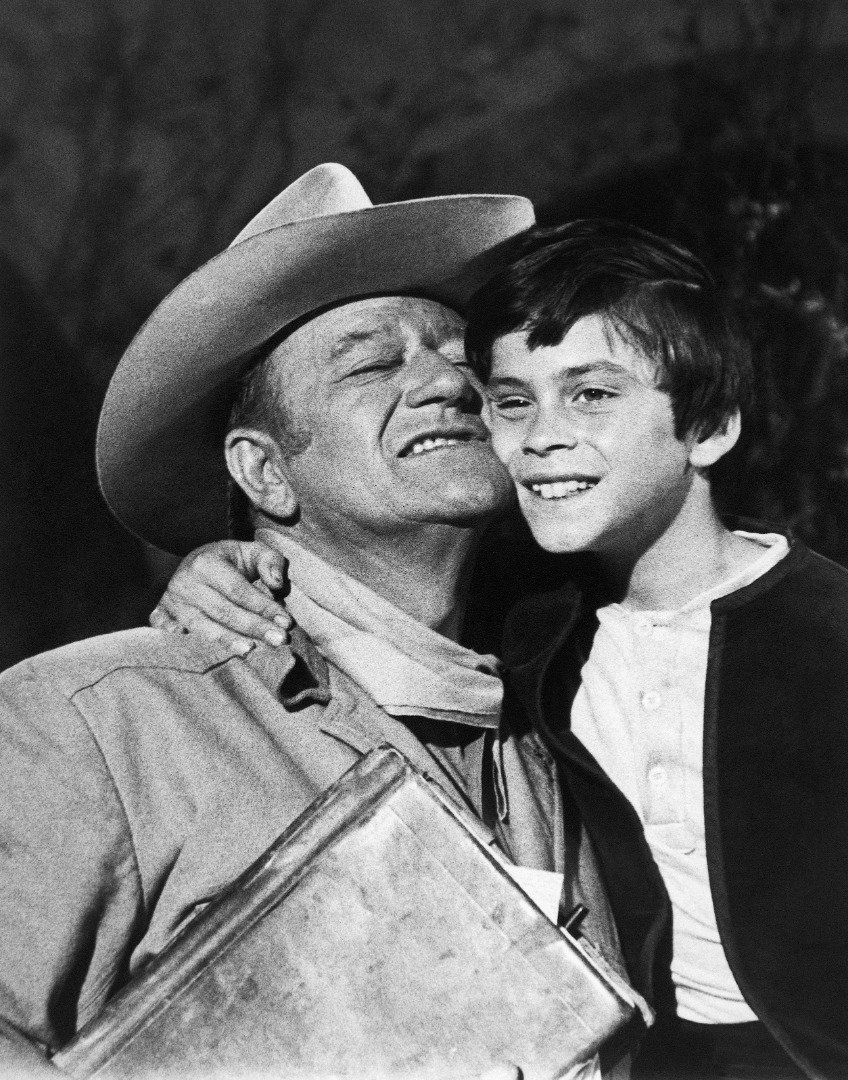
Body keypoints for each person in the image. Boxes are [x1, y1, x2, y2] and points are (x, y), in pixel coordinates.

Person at [161, 219, 848, 1079]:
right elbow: (361, 596)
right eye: (509, 400)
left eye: (593, 396)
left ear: (709, 427)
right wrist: (221, 564)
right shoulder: (530, 619)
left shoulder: (838, 640)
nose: (541, 437)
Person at [0, 165, 626, 1077]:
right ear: (263, 474)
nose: (446, 383)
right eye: (372, 364)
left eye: (459, 355)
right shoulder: (98, 719)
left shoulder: (559, 710)